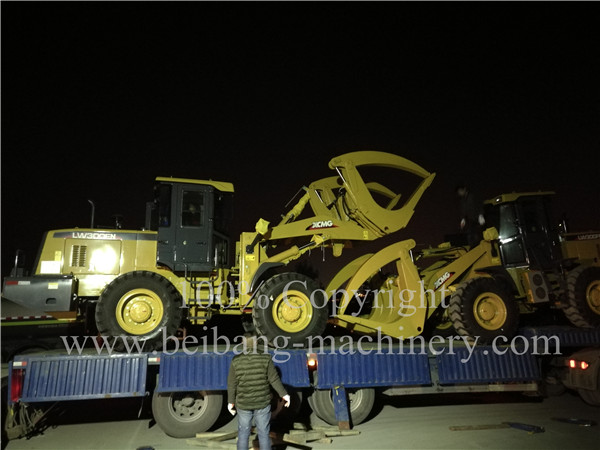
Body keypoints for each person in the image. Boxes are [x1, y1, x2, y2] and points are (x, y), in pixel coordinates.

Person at [227, 333, 290, 450]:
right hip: (262, 403)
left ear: (242, 343)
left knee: (243, 434)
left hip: (244, 404)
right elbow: (274, 379)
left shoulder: (236, 360)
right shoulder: (266, 358)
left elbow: (232, 384)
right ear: (256, 342)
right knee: (264, 434)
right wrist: (284, 394)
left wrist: (231, 402)